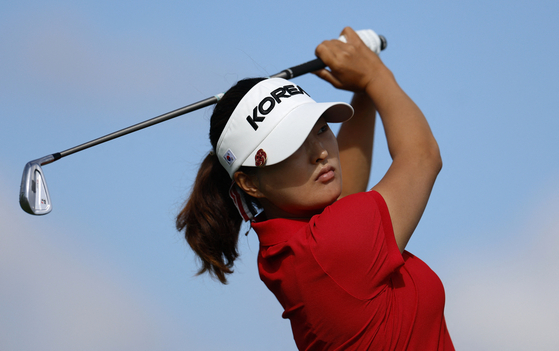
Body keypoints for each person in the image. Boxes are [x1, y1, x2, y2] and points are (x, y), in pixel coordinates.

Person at [177, 27, 454, 350]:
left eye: (320, 128)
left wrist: (364, 89)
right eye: (290, 147)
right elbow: (422, 157)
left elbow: (345, 192)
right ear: (249, 182)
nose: (320, 152)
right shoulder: (327, 249)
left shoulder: (286, 246)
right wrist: (377, 76)